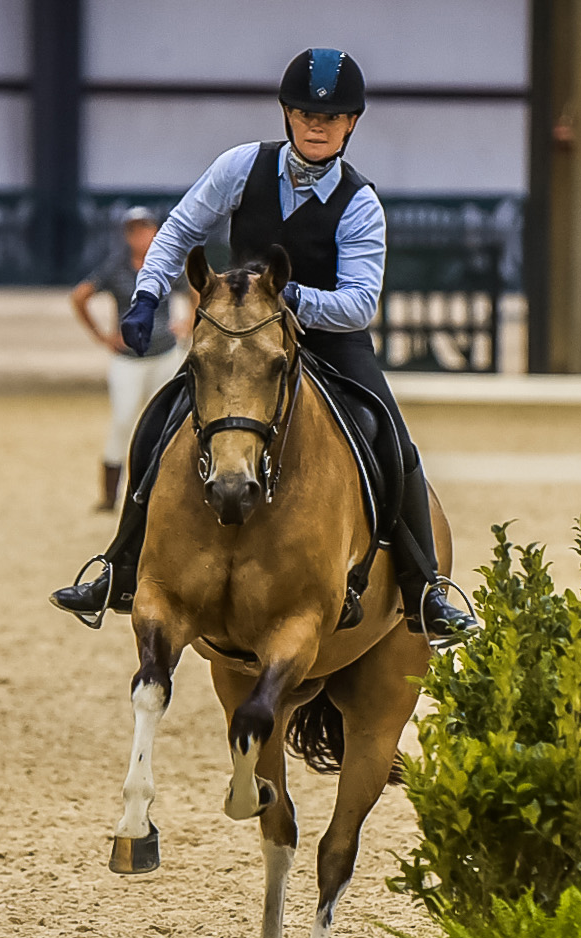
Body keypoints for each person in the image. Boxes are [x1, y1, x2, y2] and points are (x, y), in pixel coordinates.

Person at [50, 48, 478, 646]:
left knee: (390, 436)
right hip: (241, 344)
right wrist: (147, 295)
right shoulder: (240, 167)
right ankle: (119, 568)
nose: (316, 124)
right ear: (285, 113)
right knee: (158, 420)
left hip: (329, 342)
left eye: (330, 117)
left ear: (351, 123)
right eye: (304, 113)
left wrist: (286, 300)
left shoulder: (360, 203)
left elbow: (359, 303)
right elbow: (179, 229)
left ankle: (424, 587)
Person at [70, 207, 192, 511]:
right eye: (135, 231)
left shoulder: (167, 265)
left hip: (165, 351)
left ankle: (165, 486)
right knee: (124, 419)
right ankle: (110, 494)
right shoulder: (115, 269)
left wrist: (188, 323)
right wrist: (101, 335)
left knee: (169, 421)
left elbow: (195, 292)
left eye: (146, 230)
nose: (141, 237)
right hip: (129, 357)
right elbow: (80, 295)